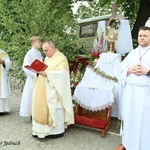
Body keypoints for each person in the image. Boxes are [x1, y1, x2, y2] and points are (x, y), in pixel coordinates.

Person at [116, 26, 150, 150]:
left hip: (146, 93)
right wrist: (129, 70)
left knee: (145, 121)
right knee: (130, 119)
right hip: (131, 93)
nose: (142, 37)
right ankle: (128, 144)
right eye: (140, 35)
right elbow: (120, 69)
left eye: (145, 35)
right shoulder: (133, 53)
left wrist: (148, 72)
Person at [32, 40, 74, 138]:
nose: (45, 53)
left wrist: (47, 74)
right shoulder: (47, 58)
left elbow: (62, 75)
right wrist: (37, 72)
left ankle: (54, 132)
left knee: (54, 108)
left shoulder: (61, 58)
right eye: (44, 51)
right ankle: (39, 130)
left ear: (53, 48)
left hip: (53, 92)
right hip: (43, 89)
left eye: (46, 50)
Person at [20, 36, 42, 117]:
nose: (40, 44)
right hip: (32, 77)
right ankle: (30, 113)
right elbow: (25, 66)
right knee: (30, 94)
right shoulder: (29, 53)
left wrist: (41, 71)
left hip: (39, 76)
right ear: (33, 43)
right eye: (38, 42)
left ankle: (36, 112)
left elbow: (41, 64)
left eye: (40, 42)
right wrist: (33, 74)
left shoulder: (39, 53)